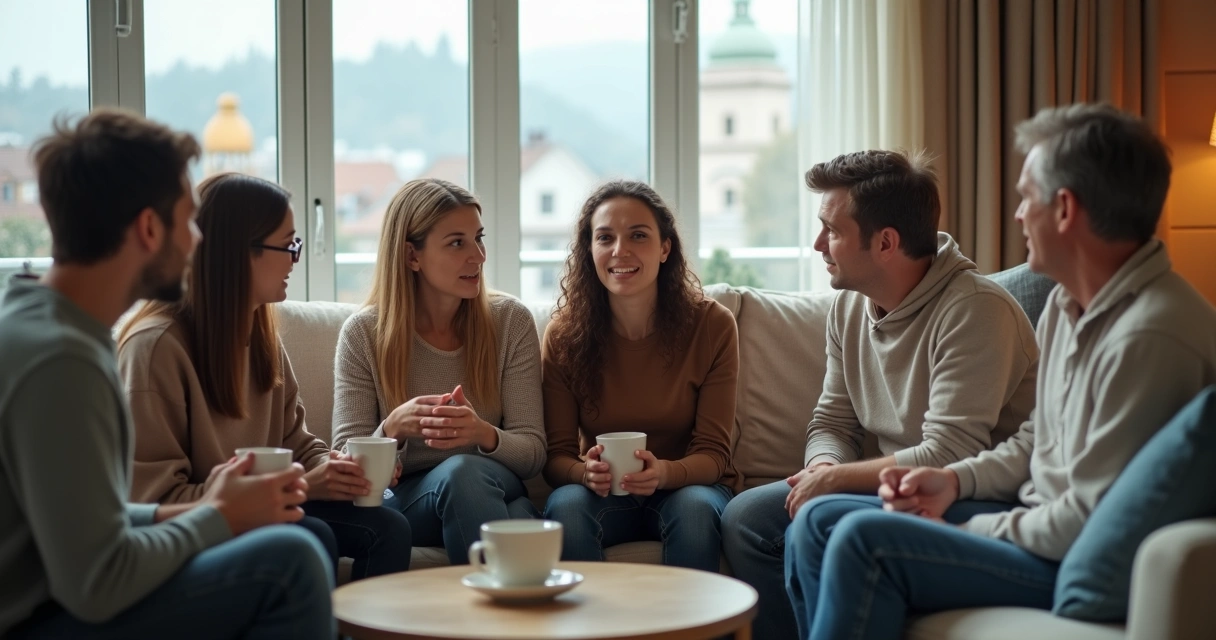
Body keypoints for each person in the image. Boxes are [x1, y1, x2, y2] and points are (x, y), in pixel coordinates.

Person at [785, 103, 1216, 640]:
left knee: (861, 540)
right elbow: (1038, 440)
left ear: (1064, 209)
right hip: (1038, 527)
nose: (1017, 215)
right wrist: (952, 482)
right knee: (820, 522)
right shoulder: (1070, 305)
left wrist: (973, 523)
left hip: (1066, 554)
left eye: (1026, 197)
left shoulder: (1151, 338)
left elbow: (1085, 518)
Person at [0, 109, 333, 638]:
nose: (200, 242)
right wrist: (216, 517)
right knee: (289, 562)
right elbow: (98, 582)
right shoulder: (62, 361)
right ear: (150, 229)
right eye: (190, 221)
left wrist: (211, 507)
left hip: (58, 596)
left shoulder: (48, 327)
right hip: (35, 620)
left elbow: (92, 524)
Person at [722, 149, 1039, 639]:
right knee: (747, 519)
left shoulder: (975, 311)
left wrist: (833, 482)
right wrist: (823, 466)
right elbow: (833, 421)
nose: (817, 244)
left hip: (975, 493)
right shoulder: (849, 307)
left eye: (832, 230)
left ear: (886, 242)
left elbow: (950, 453)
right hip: (895, 486)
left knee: (820, 516)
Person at [117, 172, 412, 581]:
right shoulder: (156, 349)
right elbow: (153, 499)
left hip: (262, 504)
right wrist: (304, 484)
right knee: (311, 536)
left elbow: (297, 442)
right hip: (195, 523)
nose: (295, 258)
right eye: (288, 245)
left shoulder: (260, 336)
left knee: (390, 528)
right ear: (239, 253)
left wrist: (338, 469)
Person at [331, 178, 545, 565]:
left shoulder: (510, 322)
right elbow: (346, 464)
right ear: (411, 256)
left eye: (479, 239)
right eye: (457, 243)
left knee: (466, 474)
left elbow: (533, 455)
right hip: (410, 500)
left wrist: (482, 433)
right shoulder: (363, 334)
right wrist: (392, 429)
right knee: (516, 514)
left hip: (493, 481)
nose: (478, 256)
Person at [541, 180, 740, 573]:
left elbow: (715, 455)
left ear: (665, 248)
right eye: (605, 237)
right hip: (604, 495)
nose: (620, 250)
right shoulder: (563, 335)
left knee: (696, 511)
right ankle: (590, 615)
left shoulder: (712, 325)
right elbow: (555, 456)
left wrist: (663, 473)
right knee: (567, 506)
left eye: (638, 235)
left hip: (689, 487)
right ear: (589, 250)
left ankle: (687, 616)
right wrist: (585, 473)